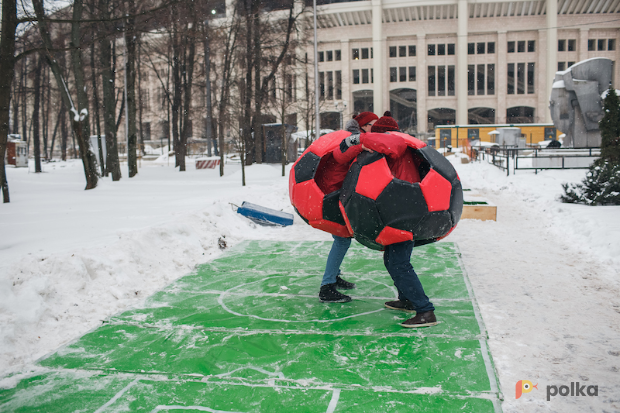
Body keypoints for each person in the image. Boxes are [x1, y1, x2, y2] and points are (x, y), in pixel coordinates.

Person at [355, 111, 437, 328]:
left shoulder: (395, 144)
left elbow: (390, 144)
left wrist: (358, 138)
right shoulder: (399, 146)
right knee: (392, 260)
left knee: (400, 263)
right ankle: (408, 300)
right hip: (401, 209)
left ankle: (425, 311)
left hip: (404, 211)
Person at [318, 111, 378, 303]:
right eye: (371, 125)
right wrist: (363, 144)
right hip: (333, 193)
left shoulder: (353, 138)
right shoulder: (351, 139)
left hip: (337, 192)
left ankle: (333, 276)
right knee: (342, 240)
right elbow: (341, 155)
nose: (373, 129)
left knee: (342, 239)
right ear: (362, 126)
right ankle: (326, 287)